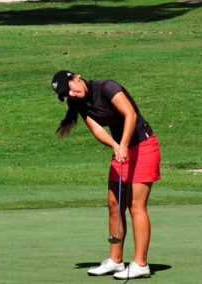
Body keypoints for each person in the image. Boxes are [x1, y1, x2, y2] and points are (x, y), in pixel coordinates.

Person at [51, 70, 161, 280]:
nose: (71, 95)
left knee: (136, 205)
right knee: (114, 204)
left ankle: (140, 264)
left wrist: (124, 145)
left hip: (143, 146)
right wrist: (115, 145)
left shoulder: (107, 87)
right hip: (122, 148)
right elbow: (97, 129)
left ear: (77, 78)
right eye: (66, 94)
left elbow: (130, 114)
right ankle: (116, 261)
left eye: (70, 89)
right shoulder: (80, 104)